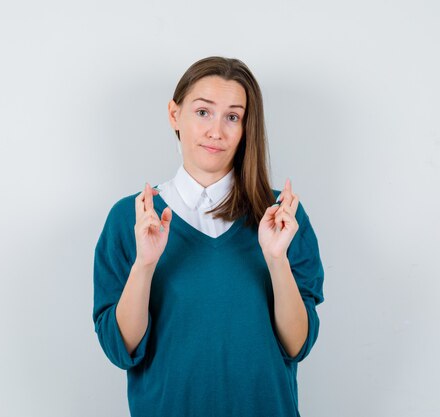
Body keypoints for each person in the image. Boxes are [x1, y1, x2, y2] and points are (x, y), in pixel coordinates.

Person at [92, 56, 325, 417]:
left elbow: (297, 345)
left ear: (247, 127)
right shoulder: (131, 218)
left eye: (232, 117)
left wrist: (276, 260)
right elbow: (121, 348)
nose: (216, 131)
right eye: (203, 112)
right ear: (175, 115)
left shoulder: (282, 217)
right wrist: (145, 264)